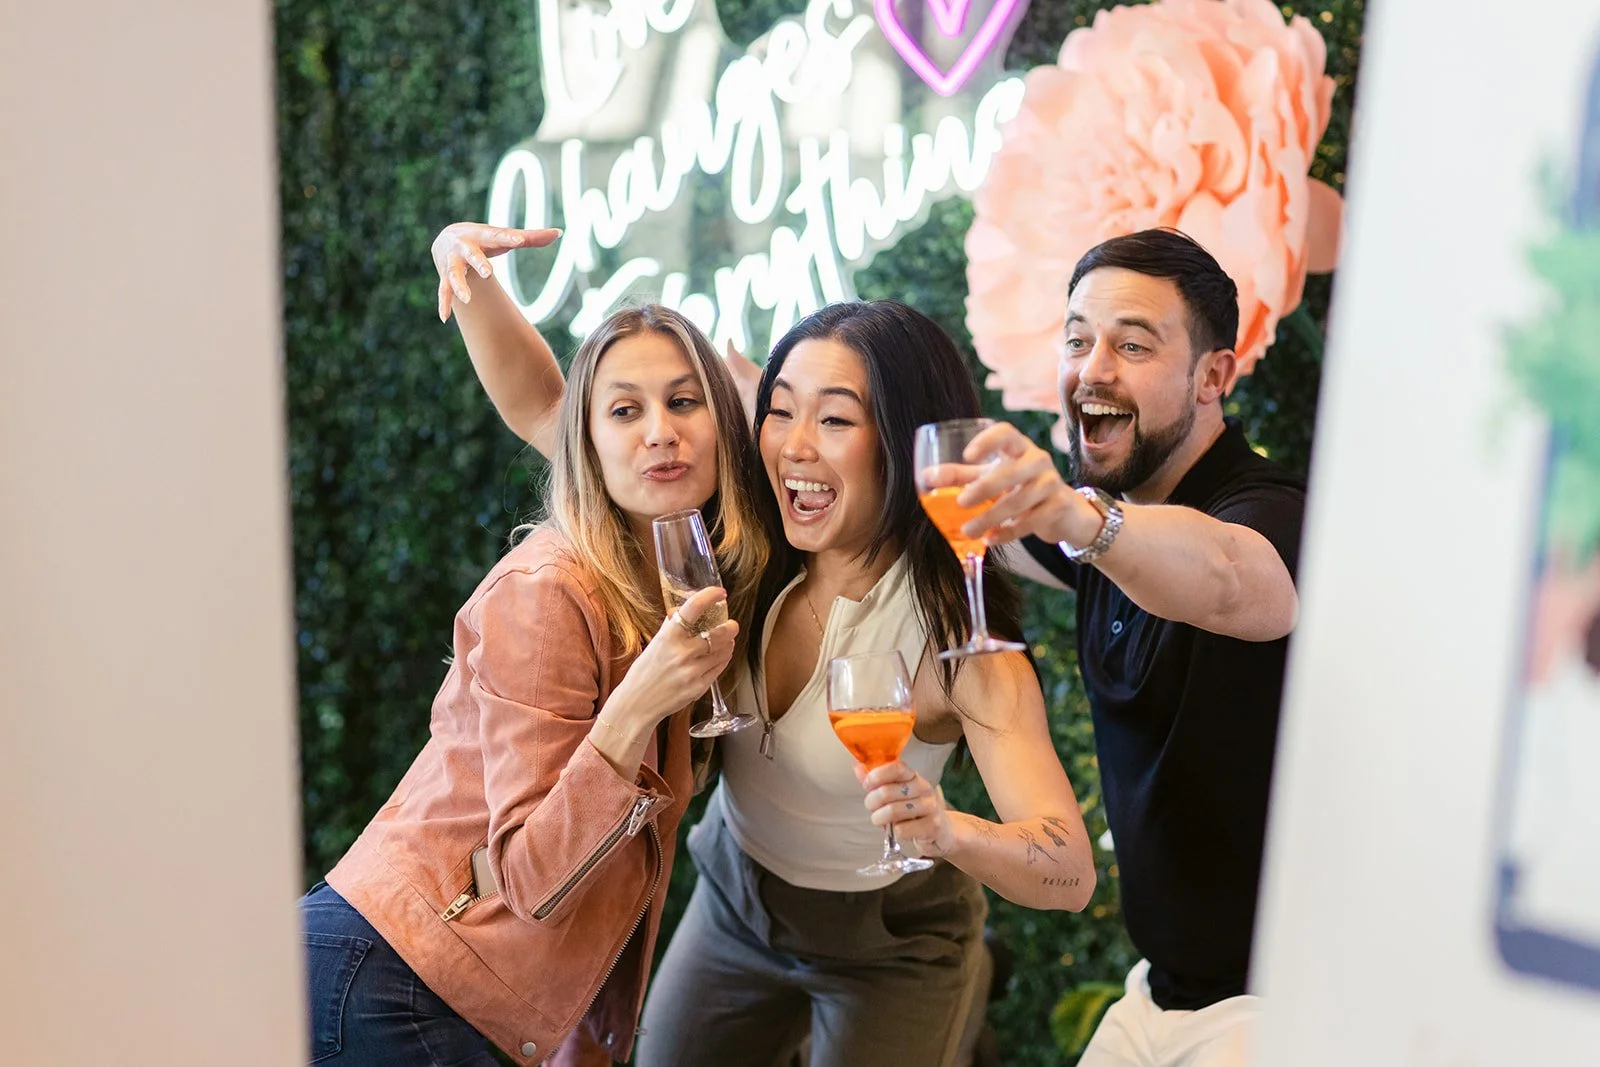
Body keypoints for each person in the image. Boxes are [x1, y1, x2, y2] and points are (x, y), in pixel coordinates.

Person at [432, 222, 1097, 1067]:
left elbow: (1069, 870)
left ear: (906, 441)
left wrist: (949, 831)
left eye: (835, 419)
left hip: (893, 942)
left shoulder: (956, 641)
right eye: (778, 409)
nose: (791, 445)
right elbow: (550, 414)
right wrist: (471, 275)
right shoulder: (741, 531)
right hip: (736, 902)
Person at [301, 301, 768, 1067]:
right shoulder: (549, 590)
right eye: (625, 409)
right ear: (587, 442)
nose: (660, 430)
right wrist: (634, 708)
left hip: (455, 1003)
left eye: (685, 401)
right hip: (383, 982)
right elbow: (526, 872)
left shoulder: (664, 591)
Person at [949, 228, 1306, 1067]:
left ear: (1214, 375)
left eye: (1132, 344)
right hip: (1157, 995)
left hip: (1279, 1005)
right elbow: (965, 517)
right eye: (1077, 339)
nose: (1092, 367)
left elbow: (1227, 575)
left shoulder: (1271, 512)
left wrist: (1080, 519)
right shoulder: (1101, 528)